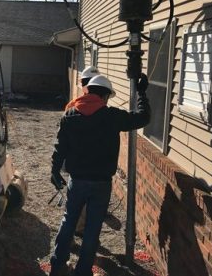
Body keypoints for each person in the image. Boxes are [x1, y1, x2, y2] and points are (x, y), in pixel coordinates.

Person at [49, 74, 150, 276]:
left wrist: (54, 170)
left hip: (76, 181)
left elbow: (60, 147)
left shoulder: (70, 115)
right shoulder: (112, 116)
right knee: (92, 228)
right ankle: (83, 271)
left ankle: (58, 266)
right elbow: (143, 117)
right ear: (104, 96)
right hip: (101, 183)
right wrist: (141, 93)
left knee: (69, 220)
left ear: (88, 92)